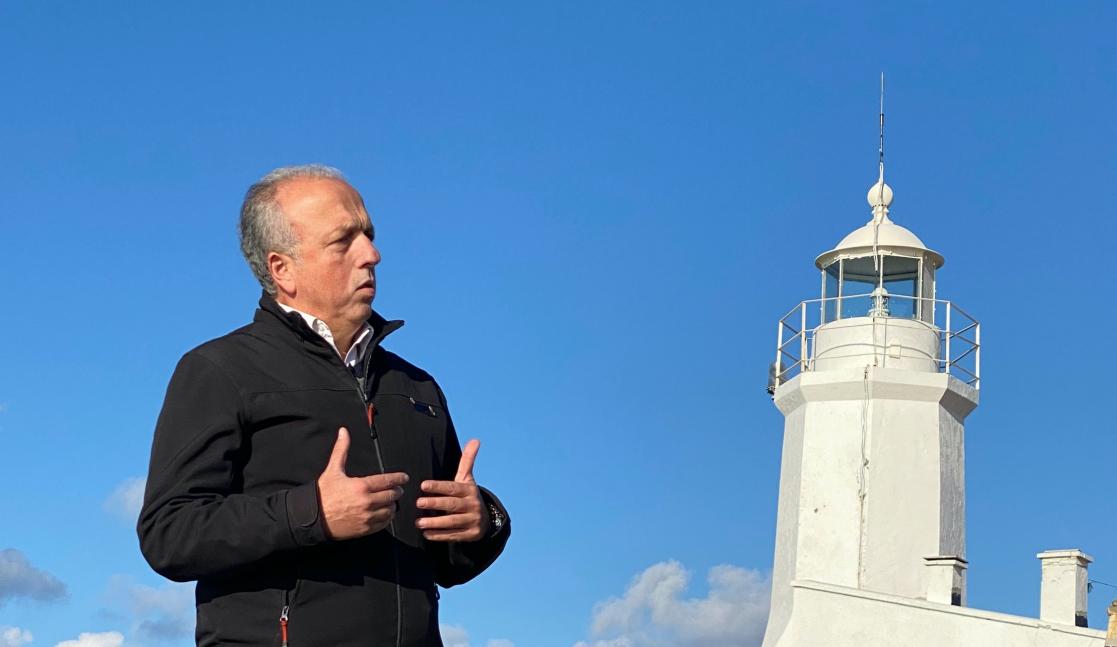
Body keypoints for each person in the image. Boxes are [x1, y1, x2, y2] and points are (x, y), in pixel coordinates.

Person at [138, 165, 510, 646]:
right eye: (343, 241)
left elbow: (448, 563)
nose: (371, 254)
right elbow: (169, 534)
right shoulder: (220, 370)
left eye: (369, 235)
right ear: (282, 269)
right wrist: (311, 512)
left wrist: (482, 522)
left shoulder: (417, 387)